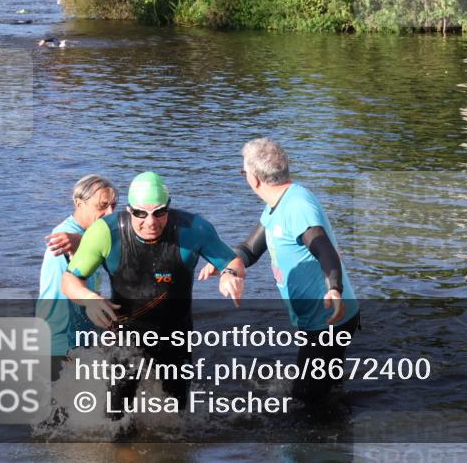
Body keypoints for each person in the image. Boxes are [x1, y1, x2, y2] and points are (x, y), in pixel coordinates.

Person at [61, 171, 243, 408]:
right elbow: (69, 281)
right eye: (140, 214)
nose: (151, 222)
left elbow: (233, 262)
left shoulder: (193, 228)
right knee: (115, 414)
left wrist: (230, 275)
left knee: (176, 416)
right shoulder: (106, 232)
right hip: (124, 333)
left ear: (168, 208)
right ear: (128, 210)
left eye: (159, 212)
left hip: (175, 333)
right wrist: (89, 298)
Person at [202, 138, 360, 399]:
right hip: (321, 320)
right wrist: (227, 265)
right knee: (323, 393)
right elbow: (250, 250)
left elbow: (325, 249)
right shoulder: (279, 204)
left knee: (306, 404)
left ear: (253, 178)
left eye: (243, 172)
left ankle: (324, 436)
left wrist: (334, 289)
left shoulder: (297, 207)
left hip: (329, 320)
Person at [37, 175, 118, 381]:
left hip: (81, 335)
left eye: (113, 206)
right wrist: (79, 242)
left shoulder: (94, 234)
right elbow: (74, 251)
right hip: (59, 337)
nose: (109, 212)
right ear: (79, 203)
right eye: (102, 206)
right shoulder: (64, 236)